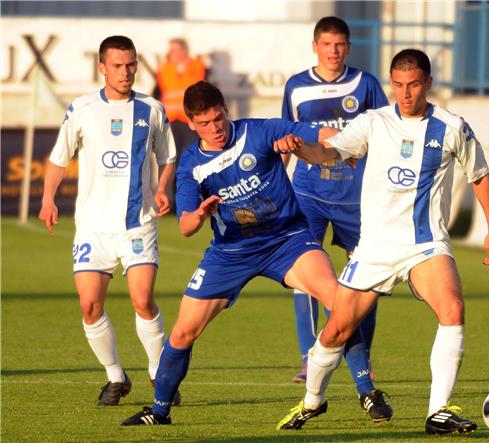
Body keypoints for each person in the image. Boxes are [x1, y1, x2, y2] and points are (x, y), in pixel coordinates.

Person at [275, 49, 489, 435]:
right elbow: (328, 151)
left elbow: (478, 175)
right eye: (398, 85)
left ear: (428, 83)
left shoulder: (451, 126)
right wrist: (300, 148)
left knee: (453, 308)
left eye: (413, 84)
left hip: (425, 244)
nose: (405, 93)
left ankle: (438, 411)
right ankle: (312, 401)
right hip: (376, 248)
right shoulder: (374, 122)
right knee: (335, 332)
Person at [119, 80, 363, 426]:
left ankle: (367, 391)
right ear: (191, 124)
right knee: (183, 332)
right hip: (231, 251)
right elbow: (186, 226)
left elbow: (315, 130)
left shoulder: (257, 131)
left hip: (285, 239)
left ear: (226, 111)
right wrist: (200, 214)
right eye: (204, 123)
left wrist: (349, 142)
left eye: (218, 119)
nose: (215, 128)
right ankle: (159, 411)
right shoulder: (192, 165)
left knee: (339, 299)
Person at [38, 35, 178, 407]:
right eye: (117, 65)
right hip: (93, 226)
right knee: (89, 306)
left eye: (131, 64)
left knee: (143, 299)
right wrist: (48, 198)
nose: (126, 72)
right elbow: (58, 158)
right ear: (102, 67)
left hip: (137, 222)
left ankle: (158, 373)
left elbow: (168, 157)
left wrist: (163, 188)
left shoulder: (152, 109)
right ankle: (115, 376)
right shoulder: (82, 109)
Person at [281, 16, 391, 422]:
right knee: (306, 273)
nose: (333, 51)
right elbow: (289, 135)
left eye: (340, 44)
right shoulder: (296, 86)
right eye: (327, 44)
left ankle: (364, 354)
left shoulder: (365, 84)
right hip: (309, 193)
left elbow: (387, 131)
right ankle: (310, 356)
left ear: (348, 47)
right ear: (315, 46)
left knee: (367, 279)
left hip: (357, 197)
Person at [156, 38, 206, 156]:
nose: (170, 53)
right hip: (170, 119)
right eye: (170, 50)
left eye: (174, 50)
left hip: (191, 118)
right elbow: (159, 93)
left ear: (184, 51)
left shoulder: (197, 66)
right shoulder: (164, 69)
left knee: (191, 154)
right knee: (170, 156)